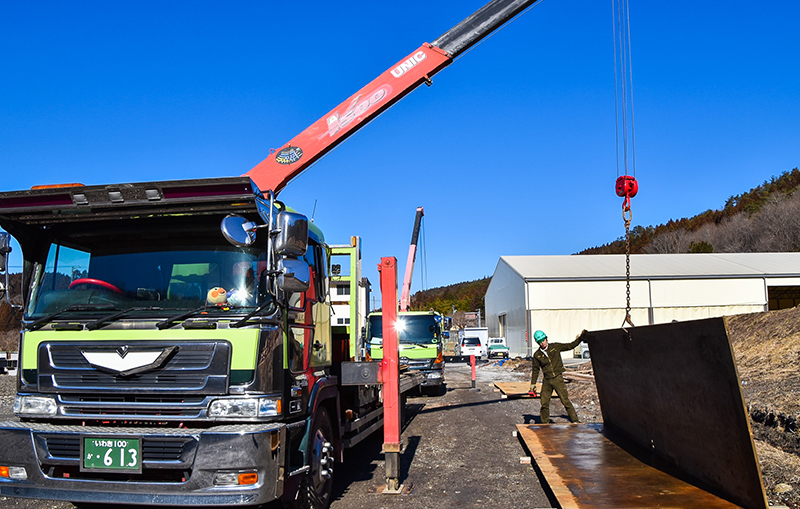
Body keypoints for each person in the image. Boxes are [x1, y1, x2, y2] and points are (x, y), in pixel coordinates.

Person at [528, 329, 586, 424]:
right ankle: (545, 424)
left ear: (546, 339)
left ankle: (575, 421)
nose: (542, 343)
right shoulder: (537, 355)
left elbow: (570, 345)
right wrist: (532, 385)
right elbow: (535, 370)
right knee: (544, 403)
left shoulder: (555, 347)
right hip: (547, 381)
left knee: (565, 401)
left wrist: (580, 338)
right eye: (540, 342)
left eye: (543, 340)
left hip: (557, 379)